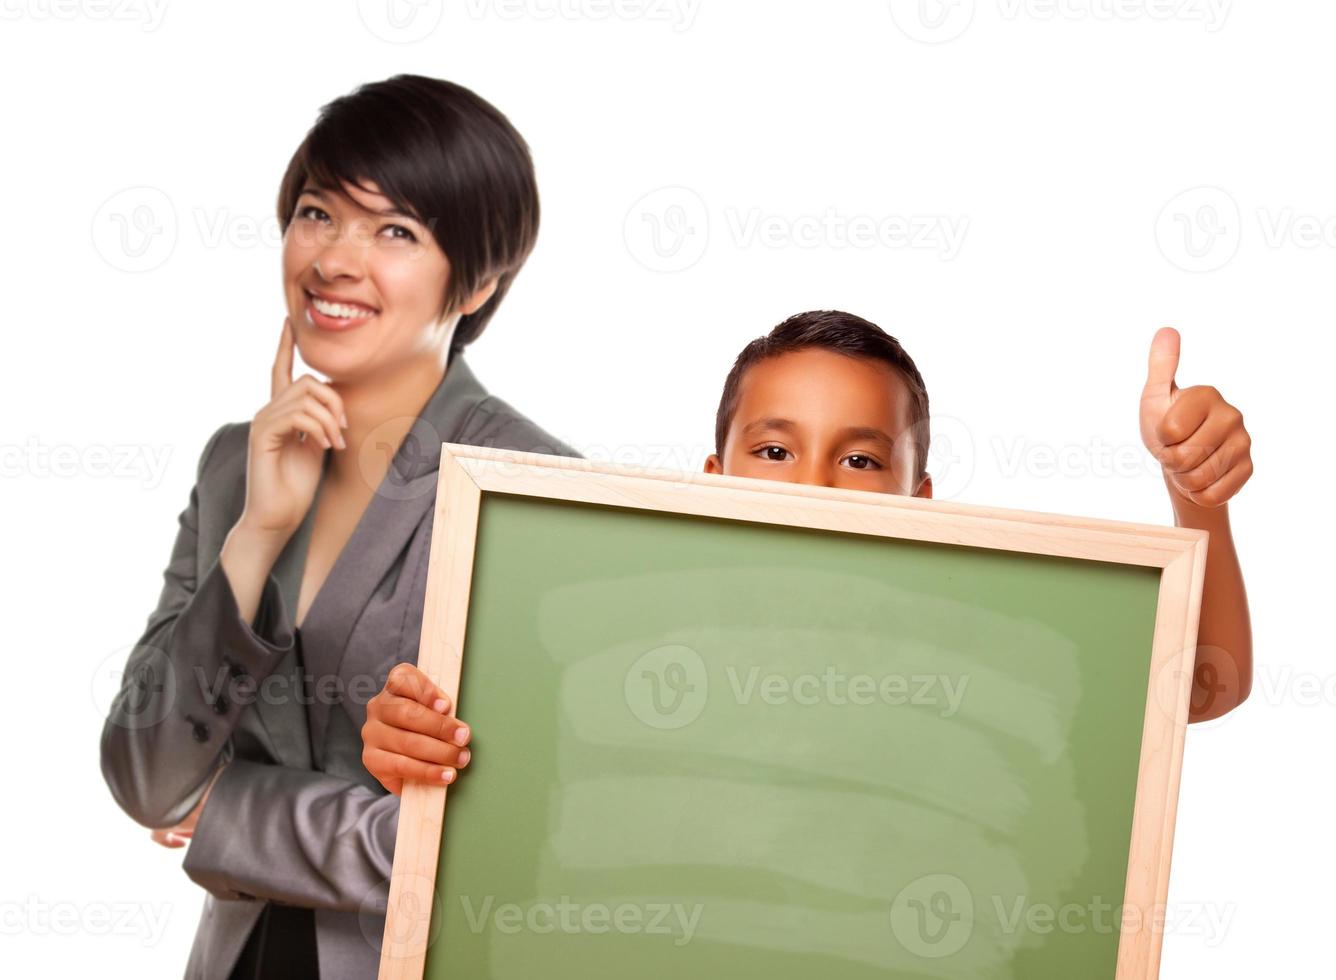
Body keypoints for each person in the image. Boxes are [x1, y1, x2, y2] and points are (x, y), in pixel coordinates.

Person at [99, 74, 575, 980]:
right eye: (318, 214)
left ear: (477, 280)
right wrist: (256, 533)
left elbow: (505, 851)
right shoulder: (236, 464)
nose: (333, 260)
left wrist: (231, 812)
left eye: (396, 231)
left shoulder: (535, 493)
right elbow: (146, 775)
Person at [362, 310, 1253, 793]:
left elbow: (1204, 683)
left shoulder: (968, 656)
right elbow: (477, 769)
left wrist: (1196, 495)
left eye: (862, 459)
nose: (816, 487)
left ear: (921, 500)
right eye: (776, 450)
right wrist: (409, 748)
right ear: (715, 478)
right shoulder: (614, 656)